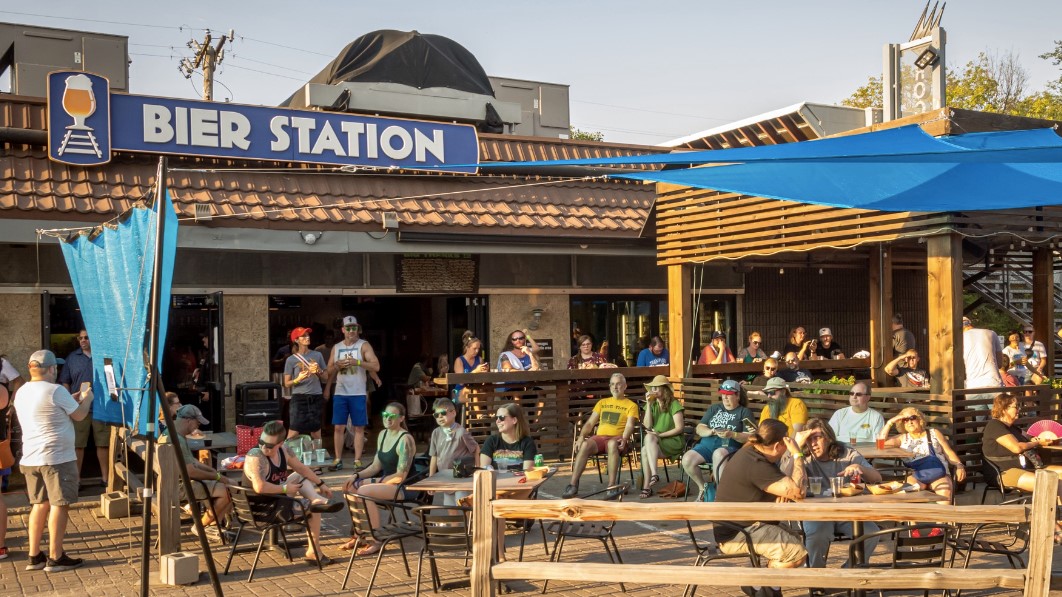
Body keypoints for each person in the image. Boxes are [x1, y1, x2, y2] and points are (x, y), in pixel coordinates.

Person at [16, 350, 93, 572]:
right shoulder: (56, 390)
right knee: (60, 504)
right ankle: (56, 556)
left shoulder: (22, 391)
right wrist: (87, 399)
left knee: (39, 505)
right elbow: (79, 416)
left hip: (31, 456)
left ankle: (34, 556)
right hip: (56, 457)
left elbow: (49, 410)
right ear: (52, 368)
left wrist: (72, 400)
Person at [715, 418, 808, 582]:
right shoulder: (757, 463)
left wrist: (784, 491)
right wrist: (797, 453)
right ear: (777, 446)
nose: (788, 447)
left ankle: (767, 587)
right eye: (786, 443)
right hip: (737, 534)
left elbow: (786, 486)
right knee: (796, 554)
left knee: (794, 539)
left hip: (745, 525)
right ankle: (757, 585)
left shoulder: (751, 451)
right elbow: (799, 492)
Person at [243, 420, 339, 566]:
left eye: (269, 445)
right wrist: (285, 489)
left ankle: (317, 498)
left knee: (299, 475)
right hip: (262, 509)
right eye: (261, 442)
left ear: (280, 443)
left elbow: (301, 468)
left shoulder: (284, 450)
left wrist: (321, 484)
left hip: (276, 499)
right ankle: (314, 553)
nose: (263, 447)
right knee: (314, 509)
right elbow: (260, 487)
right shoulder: (256, 456)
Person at [799, 418, 883, 568]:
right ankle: (816, 575)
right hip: (817, 512)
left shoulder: (847, 453)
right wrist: (796, 449)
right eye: (809, 439)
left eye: (817, 438)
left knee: (871, 533)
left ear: (829, 438)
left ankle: (847, 572)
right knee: (818, 534)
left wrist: (860, 468)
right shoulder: (802, 458)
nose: (813, 443)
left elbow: (877, 478)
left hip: (845, 511)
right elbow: (785, 477)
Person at [342, 402, 417, 555]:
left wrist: (369, 481)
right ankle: (359, 535)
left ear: (401, 418)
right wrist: (356, 475)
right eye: (385, 415)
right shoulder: (382, 434)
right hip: (387, 483)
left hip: (405, 486)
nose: (388, 418)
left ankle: (376, 540)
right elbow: (376, 466)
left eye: (392, 416)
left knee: (364, 491)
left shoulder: (405, 439)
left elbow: (400, 476)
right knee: (350, 488)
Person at [562, 373, 639, 501]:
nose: (615, 387)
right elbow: (590, 423)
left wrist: (625, 438)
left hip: (617, 439)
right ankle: (573, 485)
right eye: (612, 384)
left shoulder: (631, 405)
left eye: (618, 384)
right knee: (585, 444)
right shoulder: (602, 402)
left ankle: (611, 486)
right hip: (600, 438)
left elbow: (630, 424)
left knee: (612, 444)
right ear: (609, 386)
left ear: (625, 386)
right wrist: (581, 436)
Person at [160, 404, 236, 534]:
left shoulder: (171, 433)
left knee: (227, 485)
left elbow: (192, 461)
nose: (198, 426)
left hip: (173, 482)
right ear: (188, 420)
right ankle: (200, 527)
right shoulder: (177, 439)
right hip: (179, 486)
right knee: (228, 489)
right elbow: (191, 472)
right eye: (198, 422)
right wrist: (218, 477)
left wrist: (211, 471)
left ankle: (213, 526)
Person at [982, 394, 1062, 507]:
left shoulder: (1012, 428)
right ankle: (1051, 516)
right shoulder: (994, 426)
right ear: (1004, 409)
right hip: (1004, 472)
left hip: (1026, 468)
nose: (1019, 409)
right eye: (1016, 406)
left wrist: (1045, 438)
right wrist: (1037, 443)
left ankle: (1058, 515)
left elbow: (1030, 437)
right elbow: (1017, 448)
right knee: (1051, 483)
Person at [878, 407, 965, 504]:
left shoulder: (934, 433)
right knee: (910, 491)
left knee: (945, 490)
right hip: (915, 474)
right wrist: (890, 422)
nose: (910, 422)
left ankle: (942, 514)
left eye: (912, 418)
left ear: (920, 419)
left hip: (938, 472)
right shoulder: (902, 439)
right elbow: (880, 445)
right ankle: (915, 514)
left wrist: (959, 465)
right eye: (905, 420)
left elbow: (948, 452)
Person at [682, 379, 751, 500]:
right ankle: (703, 488)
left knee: (719, 454)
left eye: (728, 394)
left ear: (737, 395)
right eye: (723, 394)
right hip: (706, 447)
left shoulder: (744, 412)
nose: (725, 397)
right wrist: (711, 431)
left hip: (729, 448)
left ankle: (720, 494)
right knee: (687, 459)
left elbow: (750, 436)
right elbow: (699, 428)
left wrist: (732, 434)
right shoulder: (714, 408)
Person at [327, 316, 379, 470]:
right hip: (340, 391)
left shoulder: (364, 345)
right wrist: (336, 366)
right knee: (338, 427)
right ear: (343, 330)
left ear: (358, 329)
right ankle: (338, 459)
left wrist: (358, 362)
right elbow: (327, 371)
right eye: (348, 328)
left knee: (359, 427)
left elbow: (376, 366)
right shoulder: (336, 347)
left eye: (354, 328)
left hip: (358, 392)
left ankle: (357, 460)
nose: (351, 331)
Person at [57, 329, 97, 482]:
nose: (83, 340)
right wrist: (68, 402)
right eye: (80, 338)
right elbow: (65, 381)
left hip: (102, 407)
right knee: (78, 445)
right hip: (79, 406)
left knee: (104, 444)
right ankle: (76, 479)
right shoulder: (72, 358)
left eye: (86, 337)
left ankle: (106, 479)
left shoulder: (101, 355)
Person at [638, 375, 685, 499]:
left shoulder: (674, 404)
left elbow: (679, 428)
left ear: (665, 389)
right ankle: (653, 477)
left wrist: (660, 435)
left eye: (656, 387)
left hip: (673, 440)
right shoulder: (652, 404)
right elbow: (647, 425)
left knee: (647, 444)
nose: (653, 390)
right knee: (646, 446)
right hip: (657, 441)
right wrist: (648, 405)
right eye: (652, 388)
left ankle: (648, 485)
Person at [427, 398, 478, 506]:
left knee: (462, 505)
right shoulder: (436, 433)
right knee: (449, 506)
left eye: (443, 413)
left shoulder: (461, 432)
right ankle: (456, 519)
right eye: (436, 415)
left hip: (461, 477)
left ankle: (468, 518)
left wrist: (477, 471)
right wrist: (431, 480)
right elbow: (434, 456)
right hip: (446, 478)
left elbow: (476, 449)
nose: (440, 417)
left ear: (453, 413)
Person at [283, 326, 328, 441]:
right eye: (303, 336)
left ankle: (317, 452)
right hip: (299, 397)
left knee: (316, 432)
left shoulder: (317, 355)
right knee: (293, 431)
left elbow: (326, 377)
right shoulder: (291, 360)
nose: (307, 337)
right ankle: (288, 452)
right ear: (296, 340)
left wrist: (318, 371)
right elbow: (286, 383)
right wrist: (298, 379)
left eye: (308, 335)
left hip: (316, 396)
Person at [480, 403, 538, 472]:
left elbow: (527, 472)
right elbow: (484, 470)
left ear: (514, 420)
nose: (497, 421)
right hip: (496, 478)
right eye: (496, 418)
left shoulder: (527, 443)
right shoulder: (491, 441)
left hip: (519, 479)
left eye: (501, 417)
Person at [962, 316, 1003, 410]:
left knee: (977, 418)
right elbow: (1000, 363)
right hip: (993, 383)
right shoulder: (991, 333)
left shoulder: (959, 339)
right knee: (998, 417)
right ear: (970, 324)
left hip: (972, 386)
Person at [452, 332, 488, 415]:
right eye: (474, 348)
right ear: (467, 347)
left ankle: (489, 413)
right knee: (473, 390)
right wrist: (475, 371)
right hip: (460, 392)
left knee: (490, 390)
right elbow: (461, 382)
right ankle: (478, 415)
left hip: (477, 390)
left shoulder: (479, 359)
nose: (477, 351)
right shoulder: (459, 361)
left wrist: (485, 372)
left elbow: (483, 380)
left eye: (478, 349)